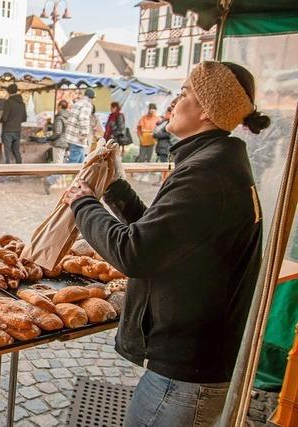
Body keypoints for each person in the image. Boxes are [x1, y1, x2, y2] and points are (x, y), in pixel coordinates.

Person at [63, 61, 270, 426]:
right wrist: (114, 187)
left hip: (187, 375)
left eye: (186, 93)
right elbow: (164, 236)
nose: (175, 101)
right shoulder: (218, 162)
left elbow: (135, 252)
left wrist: (83, 203)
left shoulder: (206, 174)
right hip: (195, 366)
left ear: (207, 109)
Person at [43, 100, 69, 194]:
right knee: (58, 164)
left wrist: (49, 138)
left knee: (58, 165)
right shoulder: (67, 116)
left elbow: (58, 132)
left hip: (59, 143)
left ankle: (49, 181)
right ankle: (54, 183)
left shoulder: (59, 117)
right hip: (65, 143)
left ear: (59, 106)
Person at [64, 88, 95, 163]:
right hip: (78, 138)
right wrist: (84, 134)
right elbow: (83, 118)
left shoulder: (77, 103)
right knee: (73, 164)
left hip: (72, 136)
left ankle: (80, 174)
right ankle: (63, 174)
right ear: (92, 98)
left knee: (81, 165)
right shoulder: (87, 104)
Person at [0, 83, 27, 164]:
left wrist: (0, 120)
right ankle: (19, 169)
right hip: (17, 130)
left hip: (8, 130)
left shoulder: (8, 102)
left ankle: (6, 170)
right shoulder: (22, 104)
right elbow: (24, 118)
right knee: (16, 152)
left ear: (8, 92)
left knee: (7, 152)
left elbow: (4, 118)